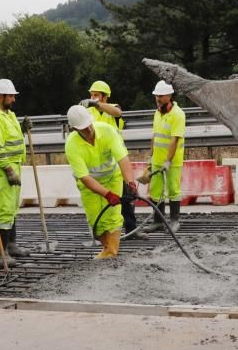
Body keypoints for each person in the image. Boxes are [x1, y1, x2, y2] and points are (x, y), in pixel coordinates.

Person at [64, 104, 137, 259]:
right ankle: (108, 249)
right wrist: (107, 194)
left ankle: (111, 253)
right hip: (89, 186)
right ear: (74, 129)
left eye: (89, 124)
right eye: (83, 128)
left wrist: (130, 183)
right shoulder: (72, 145)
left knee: (113, 218)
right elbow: (85, 178)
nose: (88, 129)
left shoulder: (107, 131)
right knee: (96, 223)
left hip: (112, 179)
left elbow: (123, 160)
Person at [80, 80, 138, 237]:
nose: (92, 97)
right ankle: (105, 232)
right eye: (91, 95)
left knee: (126, 195)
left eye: (96, 95)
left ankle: (131, 229)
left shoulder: (112, 108)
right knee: (101, 196)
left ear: (105, 97)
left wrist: (94, 104)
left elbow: (117, 112)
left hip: (117, 159)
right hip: (98, 161)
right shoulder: (87, 112)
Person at [0, 78, 30, 259]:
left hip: (14, 164)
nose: (14, 99)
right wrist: (9, 170)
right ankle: (2, 253)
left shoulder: (9, 114)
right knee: (6, 208)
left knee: (13, 206)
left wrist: (23, 130)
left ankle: (11, 245)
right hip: (3, 167)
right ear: (0, 96)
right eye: (11, 96)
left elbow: (10, 138)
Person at [143, 80, 186, 233]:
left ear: (169, 96)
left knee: (173, 189)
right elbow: (154, 136)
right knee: (155, 190)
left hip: (172, 161)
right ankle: (158, 221)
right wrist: (151, 156)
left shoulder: (178, 114)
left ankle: (174, 220)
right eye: (156, 96)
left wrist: (168, 161)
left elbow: (174, 139)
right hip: (157, 159)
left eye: (160, 96)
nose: (158, 98)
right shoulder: (157, 113)